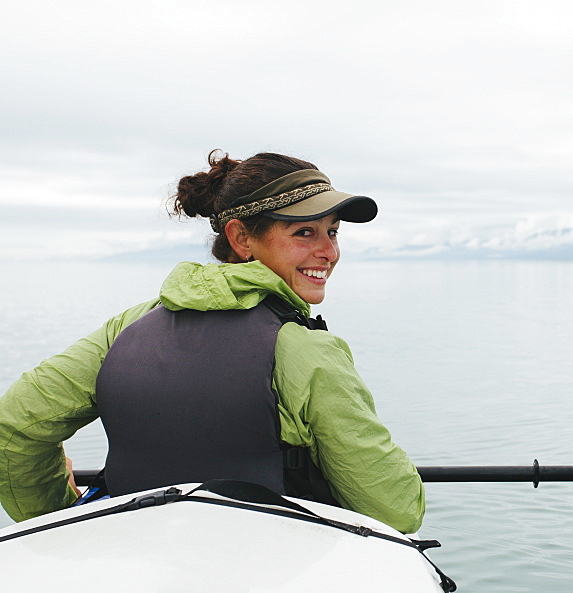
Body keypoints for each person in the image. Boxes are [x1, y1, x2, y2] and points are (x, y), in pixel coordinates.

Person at [0, 151, 425, 533]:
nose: (328, 252)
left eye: (332, 232)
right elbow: (396, 509)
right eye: (304, 234)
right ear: (241, 238)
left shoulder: (129, 326)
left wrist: (60, 517)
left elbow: (14, 427)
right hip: (272, 571)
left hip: (136, 558)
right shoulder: (304, 348)